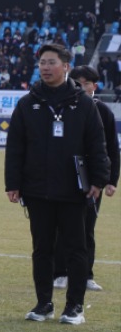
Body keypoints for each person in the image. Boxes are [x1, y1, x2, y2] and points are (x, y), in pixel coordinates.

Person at [4, 43, 109, 325]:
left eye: (51, 62)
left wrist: (99, 180)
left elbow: (97, 144)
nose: (45, 67)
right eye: (42, 63)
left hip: (74, 191)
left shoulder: (83, 103)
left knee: (76, 249)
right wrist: (13, 183)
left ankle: (74, 307)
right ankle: (43, 304)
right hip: (37, 190)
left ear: (65, 66)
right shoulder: (28, 103)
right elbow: (15, 146)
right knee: (42, 250)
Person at [52, 66, 119, 291]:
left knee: (87, 227)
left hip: (93, 180)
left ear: (94, 85)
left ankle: (86, 275)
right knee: (62, 226)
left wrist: (111, 180)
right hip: (65, 177)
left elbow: (112, 149)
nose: (81, 87)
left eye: (85, 83)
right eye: (77, 83)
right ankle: (60, 273)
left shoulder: (103, 111)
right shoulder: (63, 109)